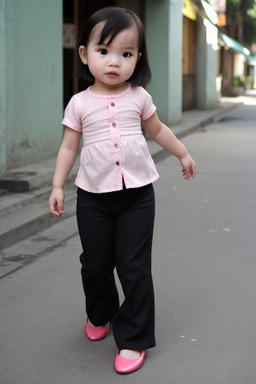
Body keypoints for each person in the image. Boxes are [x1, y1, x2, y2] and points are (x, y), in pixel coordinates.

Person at [49, 7, 196, 374]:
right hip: (93, 198)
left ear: (137, 59)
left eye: (126, 54)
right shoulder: (79, 103)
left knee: (134, 267)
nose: (114, 62)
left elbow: (158, 130)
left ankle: (133, 338)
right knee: (96, 264)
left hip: (137, 197)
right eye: (104, 51)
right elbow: (69, 147)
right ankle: (100, 312)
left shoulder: (139, 97)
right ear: (85, 54)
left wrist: (183, 152)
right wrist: (56, 185)